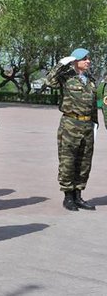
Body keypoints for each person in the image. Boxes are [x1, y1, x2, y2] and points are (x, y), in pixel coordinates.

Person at [45, 48, 97, 211]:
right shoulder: (66, 77)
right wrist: (60, 64)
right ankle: (68, 197)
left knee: (84, 163)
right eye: (84, 59)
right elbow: (49, 81)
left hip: (87, 125)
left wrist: (95, 124)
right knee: (68, 161)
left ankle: (78, 196)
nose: (88, 61)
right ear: (75, 61)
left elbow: (93, 104)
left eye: (88, 59)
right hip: (70, 124)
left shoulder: (90, 79)